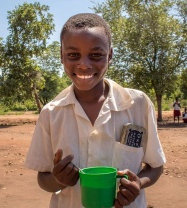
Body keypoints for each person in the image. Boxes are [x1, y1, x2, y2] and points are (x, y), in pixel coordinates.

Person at [25, 13, 166, 208]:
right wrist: (58, 179)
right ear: (61, 55)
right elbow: (43, 177)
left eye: (96, 55)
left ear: (110, 55)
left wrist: (138, 183)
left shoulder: (138, 104)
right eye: (73, 55)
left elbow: (156, 166)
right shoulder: (51, 113)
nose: (84, 64)